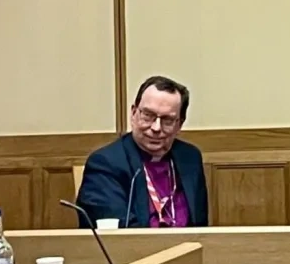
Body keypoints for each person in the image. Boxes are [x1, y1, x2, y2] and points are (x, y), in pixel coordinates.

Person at [76, 76, 209, 228]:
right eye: (148, 115)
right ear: (134, 113)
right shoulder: (105, 163)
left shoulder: (190, 158)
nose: (156, 128)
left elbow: (201, 226)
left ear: (179, 124)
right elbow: (119, 230)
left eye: (167, 120)